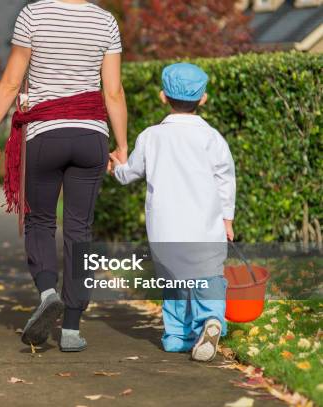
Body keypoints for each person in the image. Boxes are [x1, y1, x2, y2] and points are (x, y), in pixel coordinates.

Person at [0, 0, 128, 351]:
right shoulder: (105, 21)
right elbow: (113, 92)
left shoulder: (33, 14)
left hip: (45, 134)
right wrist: (122, 145)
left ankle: (48, 293)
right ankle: (72, 329)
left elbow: (12, 82)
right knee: (80, 229)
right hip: (91, 136)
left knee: (41, 222)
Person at [110, 63, 236, 362]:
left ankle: (177, 336)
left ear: (163, 96)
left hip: (165, 229)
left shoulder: (151, 137)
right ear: (203, 99)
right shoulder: (212, 138)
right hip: (205, 225)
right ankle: (211, 319)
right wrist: (227, 219)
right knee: (207, 277)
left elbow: (130, 174)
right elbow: (225, 180)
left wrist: (117, 166)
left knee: (173, 280)